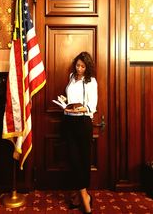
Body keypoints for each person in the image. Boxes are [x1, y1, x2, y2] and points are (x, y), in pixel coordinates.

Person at [61, 51, 98, 214]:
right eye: (77, 65)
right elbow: (71, 98)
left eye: (83, 66)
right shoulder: (71, 77)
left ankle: (84, 198)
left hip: (83, 123)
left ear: (87, 67)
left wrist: (81, 107)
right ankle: (80, 195)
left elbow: (92, 105)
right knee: (72, 159)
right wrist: (65, 102)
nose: (79, 69)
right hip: (69, 122)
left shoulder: (91, 82)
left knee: (82, 161)